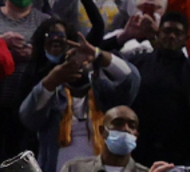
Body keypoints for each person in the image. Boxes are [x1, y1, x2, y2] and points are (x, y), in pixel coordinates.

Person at [20, 32, 140, 172]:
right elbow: (27, 117)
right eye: (71, 59)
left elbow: (131, 79)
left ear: (94, 70)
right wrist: (51, 80)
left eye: (85, 60)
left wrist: (97, 54)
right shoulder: (52, 96)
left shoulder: (105, 94)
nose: (78, 64)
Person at [0, 0, 52, 157]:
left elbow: (54, 54)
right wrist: (2, 42)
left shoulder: (44, 21)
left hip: (26, 99)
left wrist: (34, 54)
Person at [121, 12, 190, 166]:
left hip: (178, 153)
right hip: (137, 149)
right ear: (158, 33)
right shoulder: (137, 63)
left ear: (185, 39)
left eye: (177, 33)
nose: (171, 36)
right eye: (167, 31)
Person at [57, 106, 177, 172]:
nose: (125, 129)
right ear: (102, 131)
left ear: (136, 135)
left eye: (132, 125)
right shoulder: (75, 168)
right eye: (118, 123)